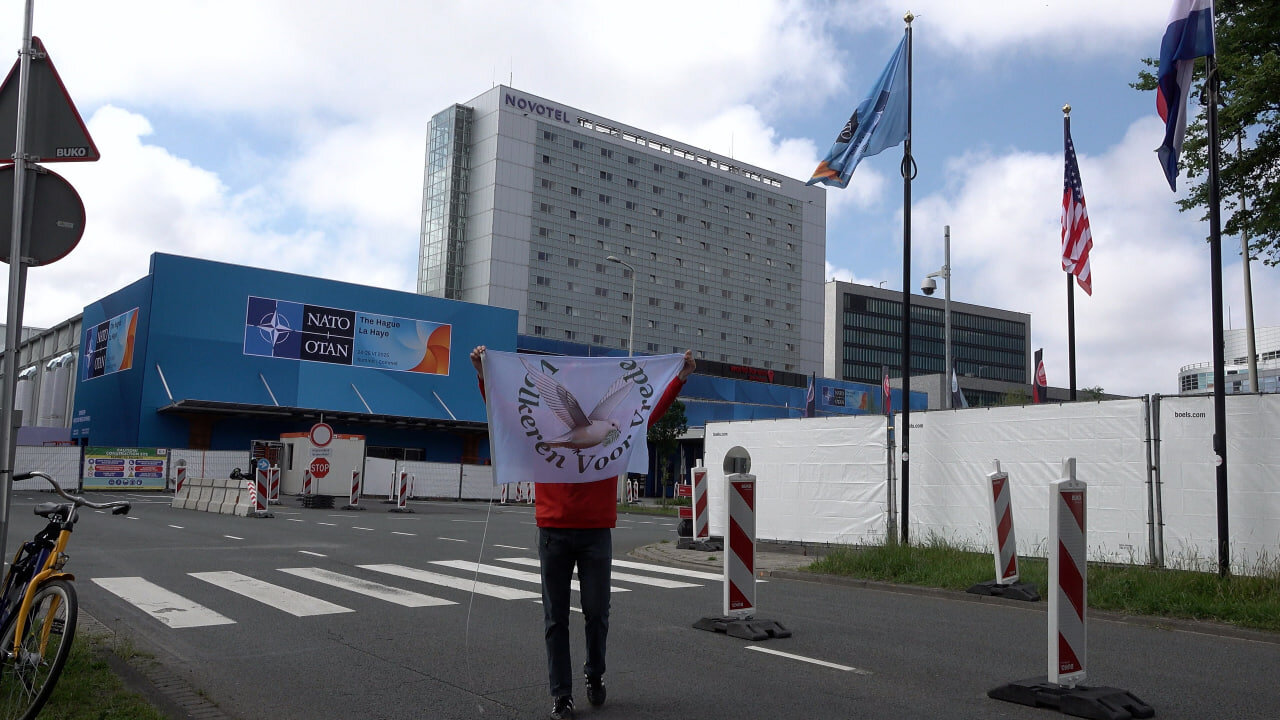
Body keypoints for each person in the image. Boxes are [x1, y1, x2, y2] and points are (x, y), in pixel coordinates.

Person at [470, 345, 695, 720]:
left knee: (596, 612)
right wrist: (484, 374)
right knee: (555, 617)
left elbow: (648, 412)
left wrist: (679, 378)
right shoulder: (543, 421)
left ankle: (595, 674)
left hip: (595, 530)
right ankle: (561, 695)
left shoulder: (615, 423)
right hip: (553, 528)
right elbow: (505, 409)